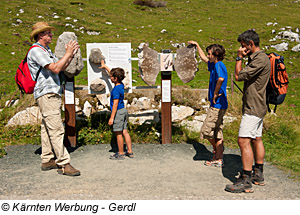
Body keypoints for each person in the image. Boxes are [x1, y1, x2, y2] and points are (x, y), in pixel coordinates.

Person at [27, 22, 80, 176]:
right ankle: (64, 164)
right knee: (56, 128)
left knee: (46, 126)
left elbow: (60, 66)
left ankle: (47, 158)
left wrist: (70, 54)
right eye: (48, 33)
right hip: (46, 93)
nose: (51, 35)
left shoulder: (46, 50)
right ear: (40, 35)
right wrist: (68, 53)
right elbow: (55, 68)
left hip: (51, 92)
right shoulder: (36, 50)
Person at [225, 30, 271, 193]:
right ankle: (258, 174)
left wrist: (239, 58)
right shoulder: (260, 58)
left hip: (253, 106)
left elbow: (238, 76)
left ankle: (246, 179)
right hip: (259, 105)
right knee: (256, 138)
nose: (242, 48)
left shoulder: (260, 59)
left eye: (244, 46)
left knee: (243, 141)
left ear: (251, 44)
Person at [188, 41, 228, 167]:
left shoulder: (218, 65)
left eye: (210, 53)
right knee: (217, 131)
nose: (208, 56)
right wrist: (197, 45)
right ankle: (218, 157)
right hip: (219, 104)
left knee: (206, 131)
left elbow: (220, 79)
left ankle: (217, 150)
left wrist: (215, 93)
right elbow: (204, 59)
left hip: (217, 105)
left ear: (215, 54)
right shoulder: (214, 64)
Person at [100, 62, 133, 160]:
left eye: (111, 77)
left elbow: (115, 104)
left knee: (118, 133)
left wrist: (111, 118)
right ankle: (130, 151)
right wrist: (105, 67)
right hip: (124, 110)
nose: (110, 78)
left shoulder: (115, 91)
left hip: (118, 112)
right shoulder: (121, 85)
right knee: (125, 131)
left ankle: (121, 153)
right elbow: (114, 74)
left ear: (115, 78)